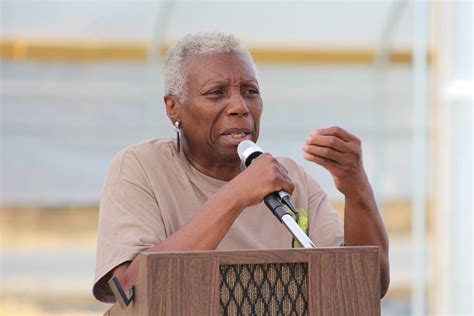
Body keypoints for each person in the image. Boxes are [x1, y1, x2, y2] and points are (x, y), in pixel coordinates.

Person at [93, 32, 390, 303]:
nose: (240, 107)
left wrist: (356, 187)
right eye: (216, 93)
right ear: (173, 108)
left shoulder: (290, 179)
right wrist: (236, 195)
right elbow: (131, 289)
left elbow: (367, 286)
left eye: (250, 91)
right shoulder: (140, 168)